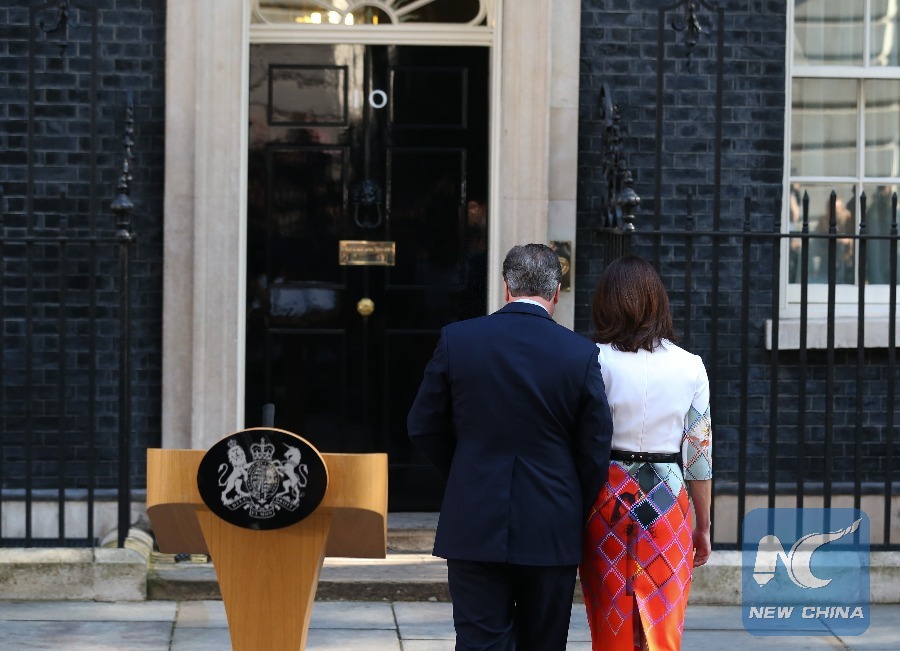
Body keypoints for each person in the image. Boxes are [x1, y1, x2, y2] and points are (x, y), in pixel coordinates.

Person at [407, 243, 614, 651]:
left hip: (474, 516)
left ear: (506, 287)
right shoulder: (580, 353)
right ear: (556, 292)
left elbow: (422, 424)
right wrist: (572, 498)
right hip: (552, 522)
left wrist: (465, 469)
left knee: (479, 642)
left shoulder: (458, 339)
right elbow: (595, 448)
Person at [579, 255, 712, 651]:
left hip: (606, 499)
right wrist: (703, 526)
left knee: (610, 619)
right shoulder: (691, 366)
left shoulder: (592, 360)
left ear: (605, 303)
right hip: (667, 500)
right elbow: (699, 457)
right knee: (662, 625)